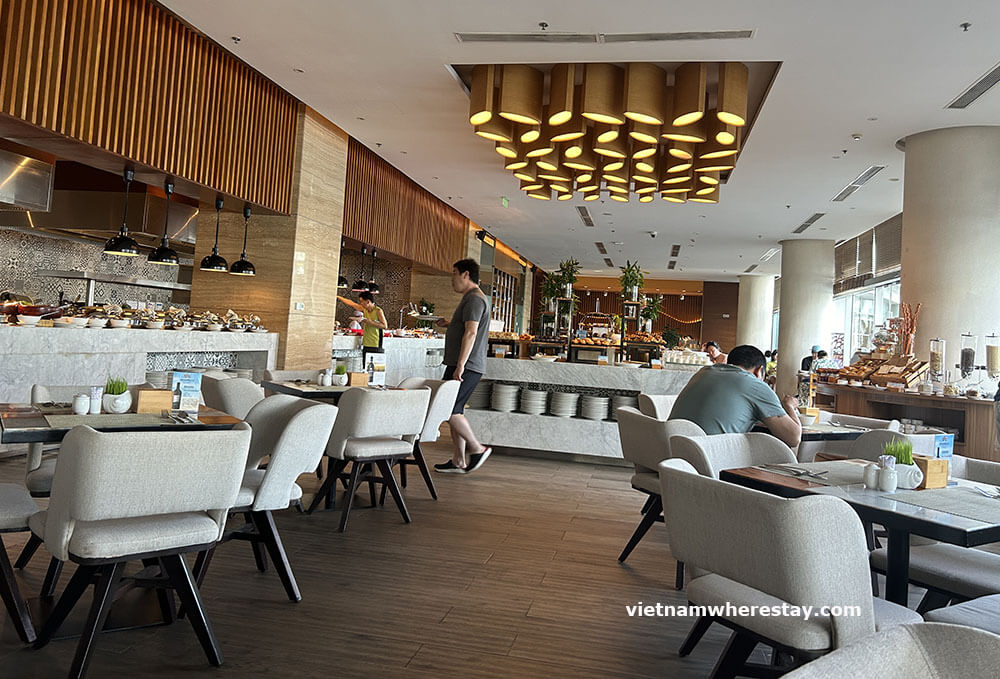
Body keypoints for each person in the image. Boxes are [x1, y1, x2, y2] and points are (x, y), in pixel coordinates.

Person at [669, 344, 802, 448]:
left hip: (670, 454)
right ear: (759, 371)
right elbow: (793, 438)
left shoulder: (703, 372)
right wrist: (788, 406)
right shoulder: (755, 384)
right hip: (706, 461)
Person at [433, 259, 493, 474]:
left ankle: (477, 448)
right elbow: (466, 326)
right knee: (454, 410)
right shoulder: (471, 299)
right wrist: (450, 324)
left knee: (448, 409)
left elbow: (471, 332)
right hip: (461, 364)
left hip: (466, 366)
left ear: (465, 274)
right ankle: (459, 460)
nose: (452, 279)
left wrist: (460, 366)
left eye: (454, 273)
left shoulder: (475, 299)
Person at [338, 291, 388, 360]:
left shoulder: (378, 311)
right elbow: (352, 303)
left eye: (362, 301)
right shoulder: (365, 309)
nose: (360, 304)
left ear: (368, 302)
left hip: (376, 343)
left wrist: (369, 322)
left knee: (374, 367)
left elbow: (384, 326)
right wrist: (338, 297)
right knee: (365, 367)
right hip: (366, 343)